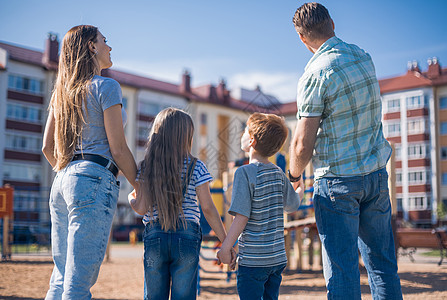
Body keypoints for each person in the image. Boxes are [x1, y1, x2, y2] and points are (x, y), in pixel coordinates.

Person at [289, 3, 402, 299]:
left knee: (342, 269)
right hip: (376, 175)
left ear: (303, 39)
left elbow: (303, 141)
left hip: (337, 181)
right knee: (383, 265)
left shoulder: (315, 73)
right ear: (332, 23)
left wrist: (294, 173)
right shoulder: (363, 57)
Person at [42, 25, 138, 299]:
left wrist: (70, 173)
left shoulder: (62, 92)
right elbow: (118, 149)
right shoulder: (107, 86)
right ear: (92, 47)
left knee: (59, 279)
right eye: (105, 41)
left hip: (62, 181)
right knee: (77, 285)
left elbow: (47, 147)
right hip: (94, 180)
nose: (110, 47)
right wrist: (140, 184)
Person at [127, 108, 234, 300]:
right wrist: (225, 241)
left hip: (155, 236)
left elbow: (141, 208)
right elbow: (208, 209)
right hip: (187, 236)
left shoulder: (146, 166)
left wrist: (130, 198)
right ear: (187, 137)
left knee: (154, 295)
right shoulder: (196, 166)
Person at [217, 113, 303, 300]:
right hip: (277, 259)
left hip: (253, 262)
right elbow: (293, 205)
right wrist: (300, 188)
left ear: (252, 141)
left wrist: (226, 247)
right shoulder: (279, 174)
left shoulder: (244, 173)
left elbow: (241, 217)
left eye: (245, 131)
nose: (242, 134)